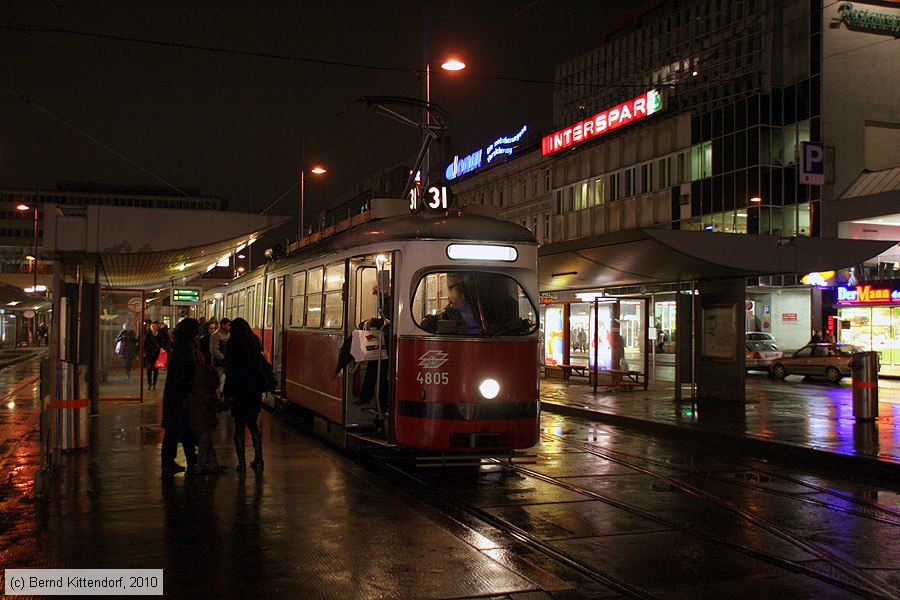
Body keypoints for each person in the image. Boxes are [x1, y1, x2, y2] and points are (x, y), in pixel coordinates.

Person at [223, 317, 264, 471]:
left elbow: (230, 370)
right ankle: (259, 458)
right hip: (253, 390)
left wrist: (227, 393)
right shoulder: (254, 342)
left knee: (239, 427)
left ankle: (241, 462)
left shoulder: (233, 344)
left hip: (239, 390)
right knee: (253, 424)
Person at [160, 318, 199, 475]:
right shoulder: (184, 349)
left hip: (176, 395)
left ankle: (187, 458)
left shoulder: (180, 346)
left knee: (179, 428)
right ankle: (169, 462)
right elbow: (183, 373)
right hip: (179, 396)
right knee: (177, 428)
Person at [184, 336, 227, 474]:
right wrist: (227, 403)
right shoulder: (209, 395)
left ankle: (213, 464)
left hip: (196, 424)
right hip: (206, 424)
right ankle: (201, 467)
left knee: (208, 444)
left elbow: (186, 405)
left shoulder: (192, 393)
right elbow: (218, 408)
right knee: (205, 445)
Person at [143, 321, 168, 391]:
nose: (153, 328)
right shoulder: (148, 335)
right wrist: (144, 352)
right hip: (149, 353)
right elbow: (145, 344)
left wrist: (162, 348)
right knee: (149, 369)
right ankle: (149, 384)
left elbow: (163, 342)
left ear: (157, 327)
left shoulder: (159, 335)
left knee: (156, 369)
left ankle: (154, 384)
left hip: (157, 353)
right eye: (152, 326)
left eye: (155, 326)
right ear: (150, 328)